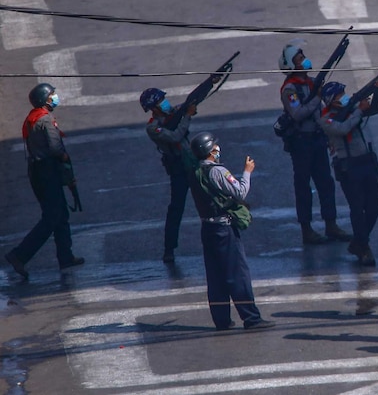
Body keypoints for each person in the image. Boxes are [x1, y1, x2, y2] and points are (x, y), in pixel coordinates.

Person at [187, 132, 275, 331]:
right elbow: (240, 192)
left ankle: (222, 320)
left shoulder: (195, 171)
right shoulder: (217, 171)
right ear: (210, 151)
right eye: (215, 147)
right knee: (237, 274)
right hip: (223, 229)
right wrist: (247, 172)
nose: (218, 149)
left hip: (207, 228)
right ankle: (251, 318)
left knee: (216, 276)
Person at [5, 83, 84, 280]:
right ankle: (19, 255)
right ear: (44, 99)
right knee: (51, 217)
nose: (55, 97)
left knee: (60, 214)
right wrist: (65, 159)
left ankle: (65, 256)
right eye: (52, 95)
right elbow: (56, 148)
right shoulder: (46, 120)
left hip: (38, 173)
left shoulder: (32, 119)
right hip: (48, 171)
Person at [277, 40, 350, 245]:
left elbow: (319, 113)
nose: (304, 60)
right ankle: (306, 229)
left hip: (317, 139)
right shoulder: (289, 89)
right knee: (303, 186)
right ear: (291, 66)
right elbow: (298, 113)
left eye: (303, 56)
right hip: (301, 143)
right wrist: (318, 98)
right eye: (299, 59)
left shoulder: (310, 83)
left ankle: (331, 224)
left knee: (326, 183)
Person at [318, 80, 378, 267]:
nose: (344, 96)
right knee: (357, 209)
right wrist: (359, 110)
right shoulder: (326, 119)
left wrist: (377, 91)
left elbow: (374, 109)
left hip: (366, 162)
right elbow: (343, 128)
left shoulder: (351, 109)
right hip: (348, 167)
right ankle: (363, 247)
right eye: (340, 95)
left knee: (374, 207)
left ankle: (358, 241)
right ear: (332, 100)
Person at [140, 87, 198, 263]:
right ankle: (169, 249)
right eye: (160, 102)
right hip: (178, 168)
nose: (165, 103)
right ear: (154, 108)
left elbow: (188, 104)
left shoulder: (174, 113)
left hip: (193, 162)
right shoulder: (153, 127)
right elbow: (175, 136)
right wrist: (187, 116)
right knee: (176, 208)